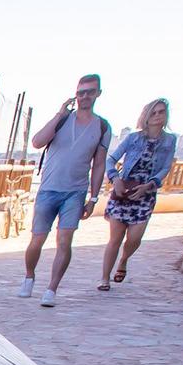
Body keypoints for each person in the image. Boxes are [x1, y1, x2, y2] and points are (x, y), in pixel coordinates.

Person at [20, 74, 112, 307]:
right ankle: (29, 276)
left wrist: (93, 197)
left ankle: (51, 289)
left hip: (76, 191)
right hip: (49, 188)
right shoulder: (63, 120)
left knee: (64, 239)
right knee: (37, 239)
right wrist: (60, 114)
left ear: (98, 94)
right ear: (75, 94)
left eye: (90, 92)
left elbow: (99, 163)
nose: (85, 96)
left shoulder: (101, 126)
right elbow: (37, 142)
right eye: (81, 92)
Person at [97, 98, 176, 289]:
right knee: (115, 238)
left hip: (145, 193)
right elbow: (112, 159)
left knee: (135, 238)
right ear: (146, 116)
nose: (157, 116)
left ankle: (123, 260)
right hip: (124, 190)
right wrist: (115, 179)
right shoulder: (133, 138)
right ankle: (105, 279)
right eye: (154, 112)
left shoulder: (169, 140)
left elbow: (165, 167)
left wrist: (149, 185)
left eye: (161, 112)